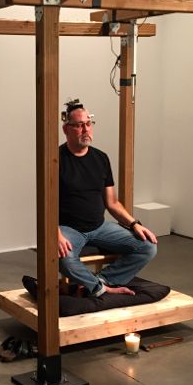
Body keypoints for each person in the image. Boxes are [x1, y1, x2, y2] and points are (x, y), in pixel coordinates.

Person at [58, 99, 158, 297]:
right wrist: (55, 234)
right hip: (69, 229)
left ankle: (101, 281)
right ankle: (100, 289)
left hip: (99, 227)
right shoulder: (55, 159)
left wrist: (134, 224)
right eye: (79, 125)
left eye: (88, 123)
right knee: (64, 260)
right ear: (66, 129)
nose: (86, 129)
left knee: (147, 247)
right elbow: (46, 205)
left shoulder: (101, 158)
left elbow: (112, 203)